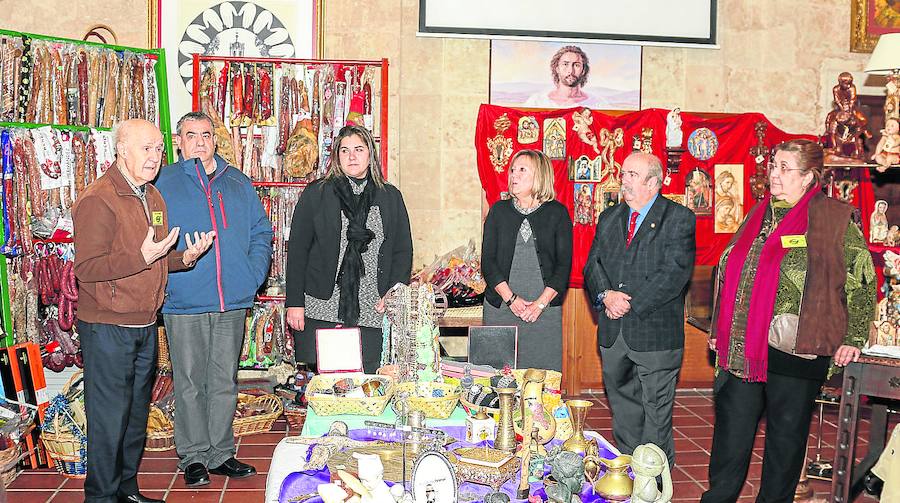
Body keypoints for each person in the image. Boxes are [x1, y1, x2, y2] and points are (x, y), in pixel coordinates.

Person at [702, 139, 876, 502]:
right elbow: (732, 270)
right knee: (730, 440)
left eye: (785, 168)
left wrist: (854, 337)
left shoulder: (834, 217)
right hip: (742, 348)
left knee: (784, 444)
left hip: (798, 349)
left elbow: (863, 280)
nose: (774, 175)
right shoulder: (759, 212)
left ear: (810, 177)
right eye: (773, 165)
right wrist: (720, 325)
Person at [73, 119, 214, 503]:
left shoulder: (152, 197)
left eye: (158, 149)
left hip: (146, 323)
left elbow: (156, 257)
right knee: (108, 421)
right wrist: (141, 256)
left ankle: (126, 490)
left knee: (135, 417)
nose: (155, 157)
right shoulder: (97, 199)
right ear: (121, 150)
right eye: (146, 148)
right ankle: (100, 497)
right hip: (107, 327)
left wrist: (184, 257)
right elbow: (87, 268)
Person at [155, 112, 273, 487]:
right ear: (179, 141)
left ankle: (221, 453)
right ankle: (193, 456)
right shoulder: (163, 182)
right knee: (189, 381)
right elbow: (150, 238)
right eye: (191, 135)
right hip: (185, 297)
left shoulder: (238, 181)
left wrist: (251, 276)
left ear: (215, 140)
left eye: (206, 135)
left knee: (224, 380)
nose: (200, 142)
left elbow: (261, 231)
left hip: (231, 299)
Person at [583, 151, 696, 468]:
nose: (624, 180)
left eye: (632, 174)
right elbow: (593, 265)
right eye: (623, 174)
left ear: (653, 182)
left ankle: (657, 481)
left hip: (655, 333)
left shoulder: (678, 218)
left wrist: (625, 302)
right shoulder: (609, 218)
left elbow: (674, 274)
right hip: (613, 332)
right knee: (623, 406)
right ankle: (631, 470)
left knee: (655, 411)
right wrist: (606, 295)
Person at [285, 125, 412, 373]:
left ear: (370, 155)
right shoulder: (316, 194)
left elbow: (402, 251)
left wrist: (393, 293)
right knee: (327, 383)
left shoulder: (390, 197)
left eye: (358, 149)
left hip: (374, 306)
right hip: (322, 305)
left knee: (369, 380)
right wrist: (294, 303)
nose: (352, 156)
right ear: (336, 157)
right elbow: (298, 252)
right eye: (345, 151)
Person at [481, 149, 573, 371]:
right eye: (513, 170)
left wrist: (540, 304)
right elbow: (488, 262)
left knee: (541, 382)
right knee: (496, 380)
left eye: (522, 170)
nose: (514, 175)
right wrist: (511, 300)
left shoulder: (557, 213)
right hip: (501, 308)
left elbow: (563, 267)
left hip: (544, 311)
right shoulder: (498, 211)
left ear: (540, 176)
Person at [524, 45, 599, 108]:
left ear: (583, 70)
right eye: (565, 64)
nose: (570, 70)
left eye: (576, 65)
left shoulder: (597, 104)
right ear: (557, 68)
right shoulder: (537, 102)